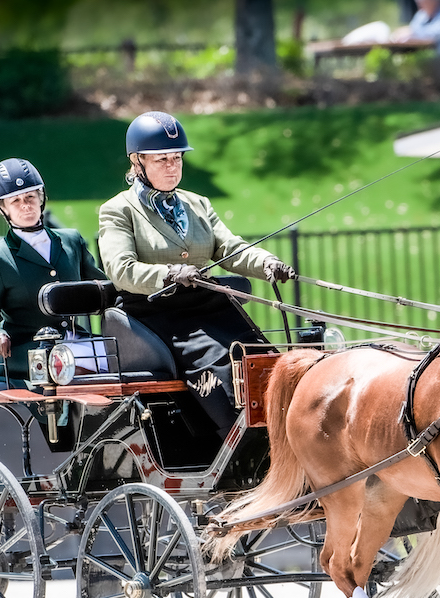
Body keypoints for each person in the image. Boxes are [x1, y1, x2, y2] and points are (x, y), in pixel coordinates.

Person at [97, 111, 295, 437]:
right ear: (137, 161)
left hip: (209, 304)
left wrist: (267, 264)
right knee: (223, 366)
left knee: (264, 360)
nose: (172, 166)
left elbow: (230, 248)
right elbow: (121, 270)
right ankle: (238, 437)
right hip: (160, 313)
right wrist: (170, 273)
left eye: (177, 158)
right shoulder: (119, 210)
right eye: (162, 159)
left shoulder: (198, 204)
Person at [0, 158, 107, 383]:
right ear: (3, 208)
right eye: (16, 201)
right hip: (26, 351)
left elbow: (101, 290)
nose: (26, 205)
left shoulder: (71, 240)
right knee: (73, 365)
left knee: (125, 356)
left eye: (30, 197)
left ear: (41, 198)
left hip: (74, 340)